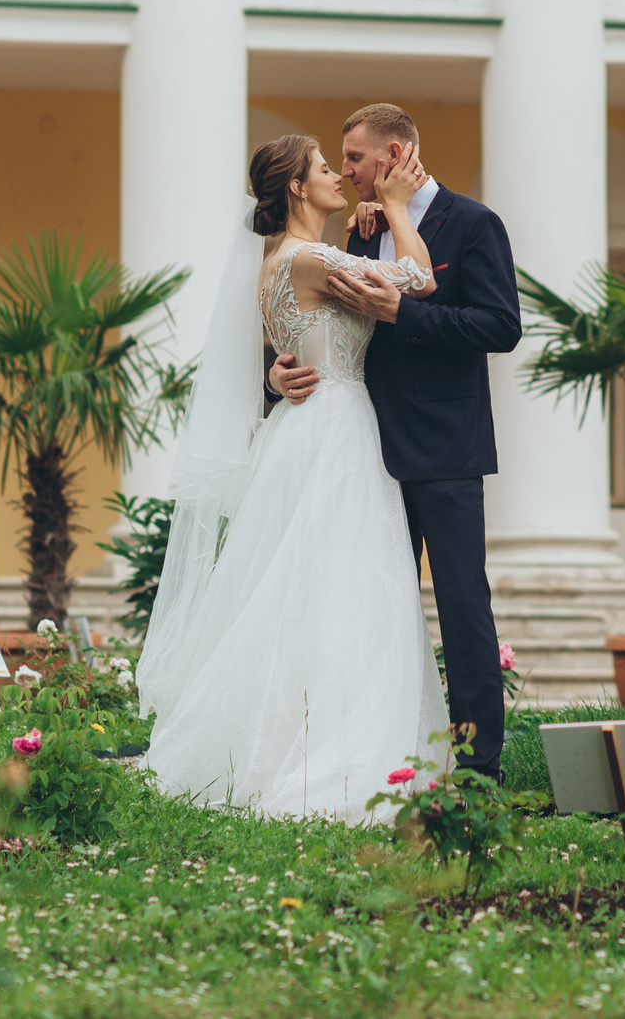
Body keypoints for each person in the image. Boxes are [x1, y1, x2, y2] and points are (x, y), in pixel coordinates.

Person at [135, 134, 444, 821]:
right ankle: (334, 750)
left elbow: (291, 343)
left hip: (301, 431)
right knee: (348, 587)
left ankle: (298, 737)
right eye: (327, 169)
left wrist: (279, 369)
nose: (340, 178)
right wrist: (396, 208)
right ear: (299, 188)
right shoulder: (308, 255)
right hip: (337, 429)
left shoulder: (275, 263)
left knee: (302, 591)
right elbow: (419, 280)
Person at [267, 102, 520, 779]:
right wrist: (280, 367)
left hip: (444, 445)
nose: (346, 172)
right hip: (363, 450)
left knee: (463, 603)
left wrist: (407, 312)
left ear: (396, 152)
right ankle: (385, 753)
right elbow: (328, 326)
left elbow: (500, 325)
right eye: (339, 161)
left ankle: (477, 766)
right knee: (375, 606)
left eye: (355, 158)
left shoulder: (472, 222)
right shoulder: (359, 234)